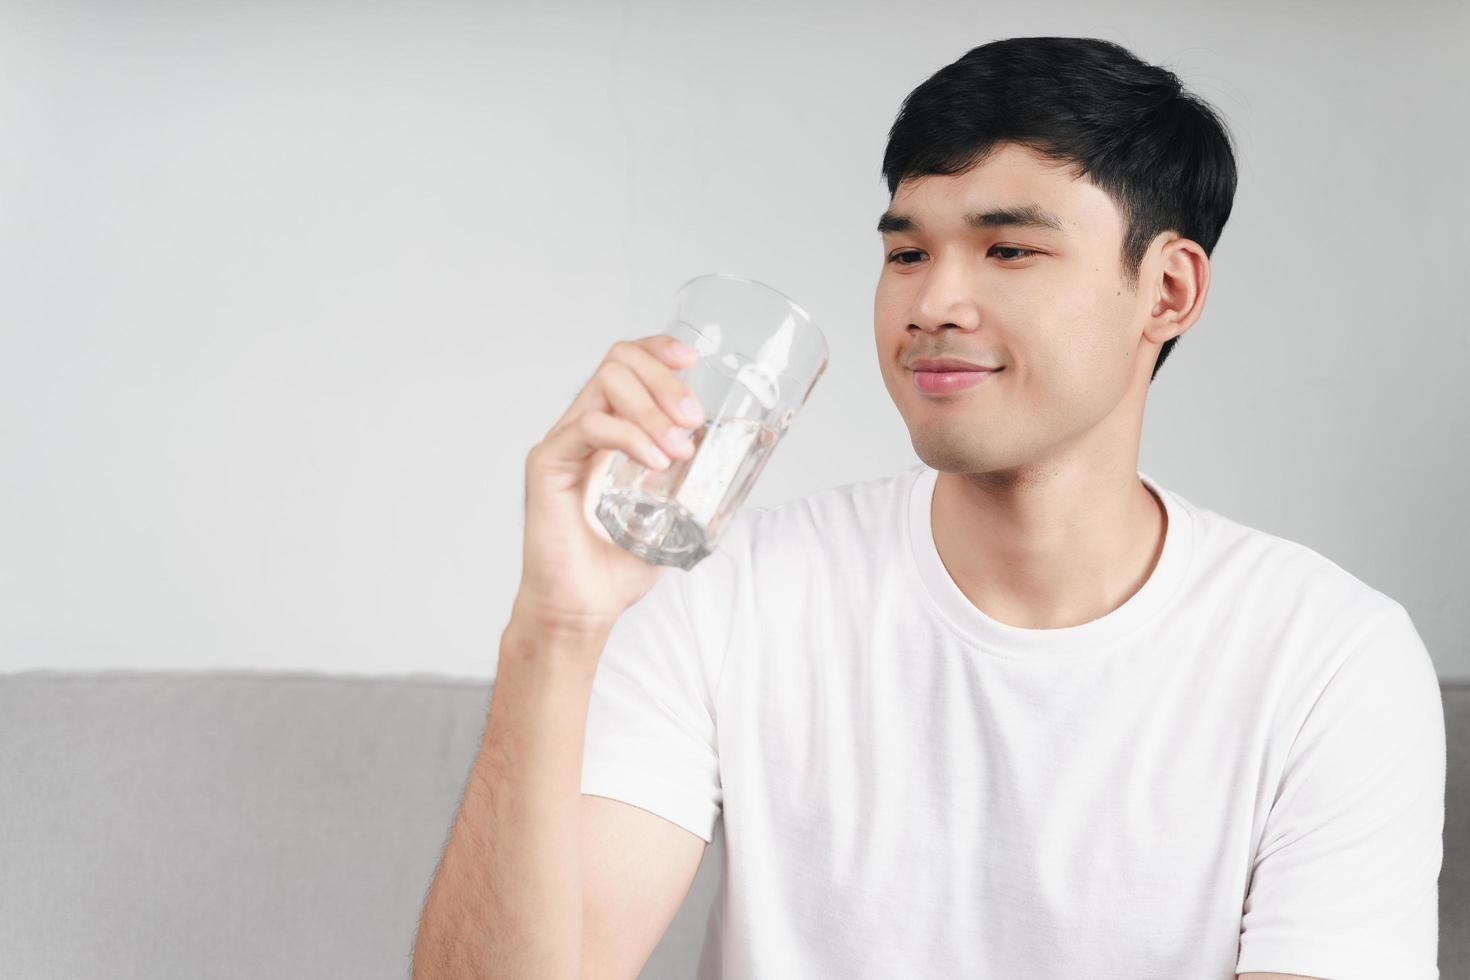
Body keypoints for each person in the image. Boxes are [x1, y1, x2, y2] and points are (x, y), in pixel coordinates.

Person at [412, 36, 1445, 979]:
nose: (933, 301)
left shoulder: (1328, 659)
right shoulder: (733, 593)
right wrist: (553, 628)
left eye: (1008, 249)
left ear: (1167, 290)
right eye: (907, 252)